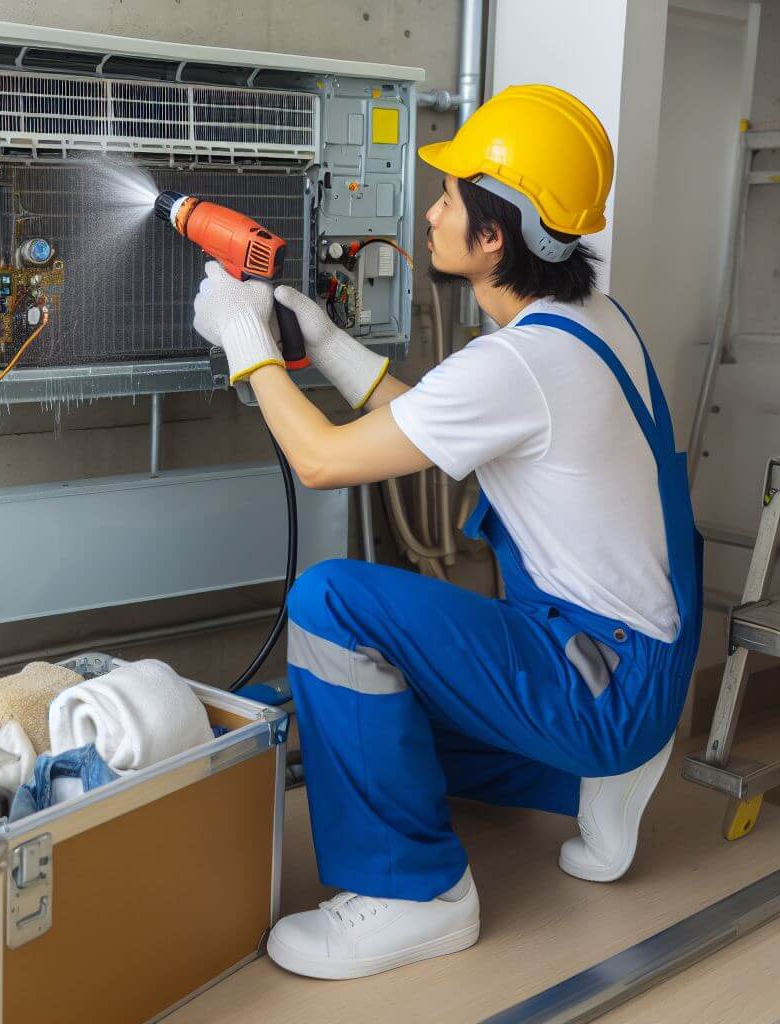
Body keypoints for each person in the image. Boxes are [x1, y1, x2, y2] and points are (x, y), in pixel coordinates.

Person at [191, 84, 703, 981]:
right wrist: (324, 340)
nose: (430, 214)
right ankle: (590, 783)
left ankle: (415, 894)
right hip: (633, 663)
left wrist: (248, 344)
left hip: (603, 680)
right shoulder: (584, 323)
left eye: (449, 199)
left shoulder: (521, 362)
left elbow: (317, 461)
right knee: (381, 707)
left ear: (495, 236)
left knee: (330, 602)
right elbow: (437, 424)